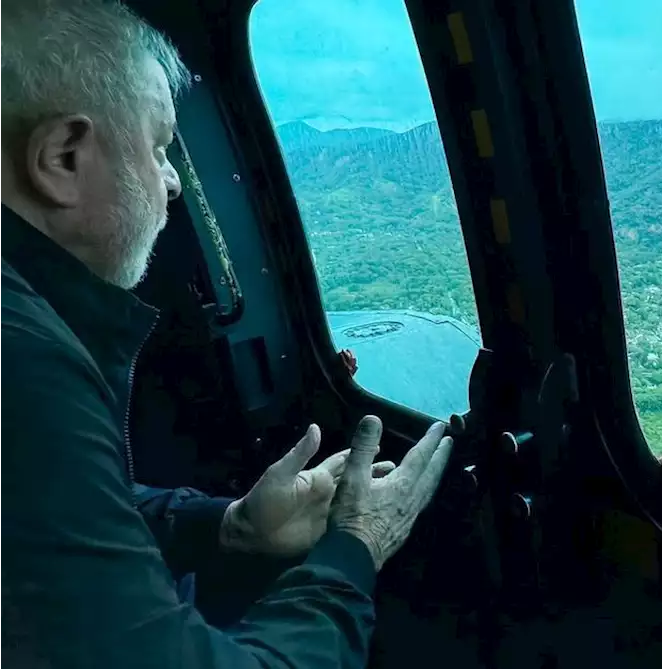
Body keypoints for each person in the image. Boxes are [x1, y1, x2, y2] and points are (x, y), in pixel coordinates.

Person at [0, 1, 453, 666]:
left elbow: (57, 520)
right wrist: (354, 546)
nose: (173, 181)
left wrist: (229, 524)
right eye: (157, 148)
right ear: (62, 157)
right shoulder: (24, 365)